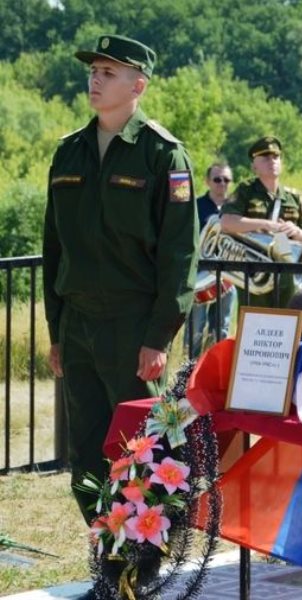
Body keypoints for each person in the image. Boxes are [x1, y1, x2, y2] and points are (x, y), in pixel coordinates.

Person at [42, 34, 198, 526]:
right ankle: (107, 561)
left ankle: (144, 565)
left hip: (133, 326)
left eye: (109, 72)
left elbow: (180, 255)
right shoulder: (70, 152)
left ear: (138, 85)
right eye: (94, 70)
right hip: (78, 324)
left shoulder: (162, 155)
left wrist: (158, 337)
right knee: (85, 455)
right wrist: (56, 331)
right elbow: (54, 249)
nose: (95, 79)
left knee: (142, 450)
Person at [220, 136, 302, 307]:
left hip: (286, 267)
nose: (272, 161)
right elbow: (226, 222)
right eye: (265, 158)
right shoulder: (245, 190)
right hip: (255, 270)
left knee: (287, 319)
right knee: (255, 322)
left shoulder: (294, 197)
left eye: (276, 157)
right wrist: (264, 224)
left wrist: (295, 231)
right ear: (254, 165)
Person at [184, 162, 237, 357]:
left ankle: (216, 370)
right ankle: (187, 375)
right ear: (207, 181)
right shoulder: (196, 206)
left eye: (226, 180)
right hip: (199, 274)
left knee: (221, 328)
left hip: (229, 276)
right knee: (195, 328)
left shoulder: (236, 210)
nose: (222, 184)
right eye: (217, 179)